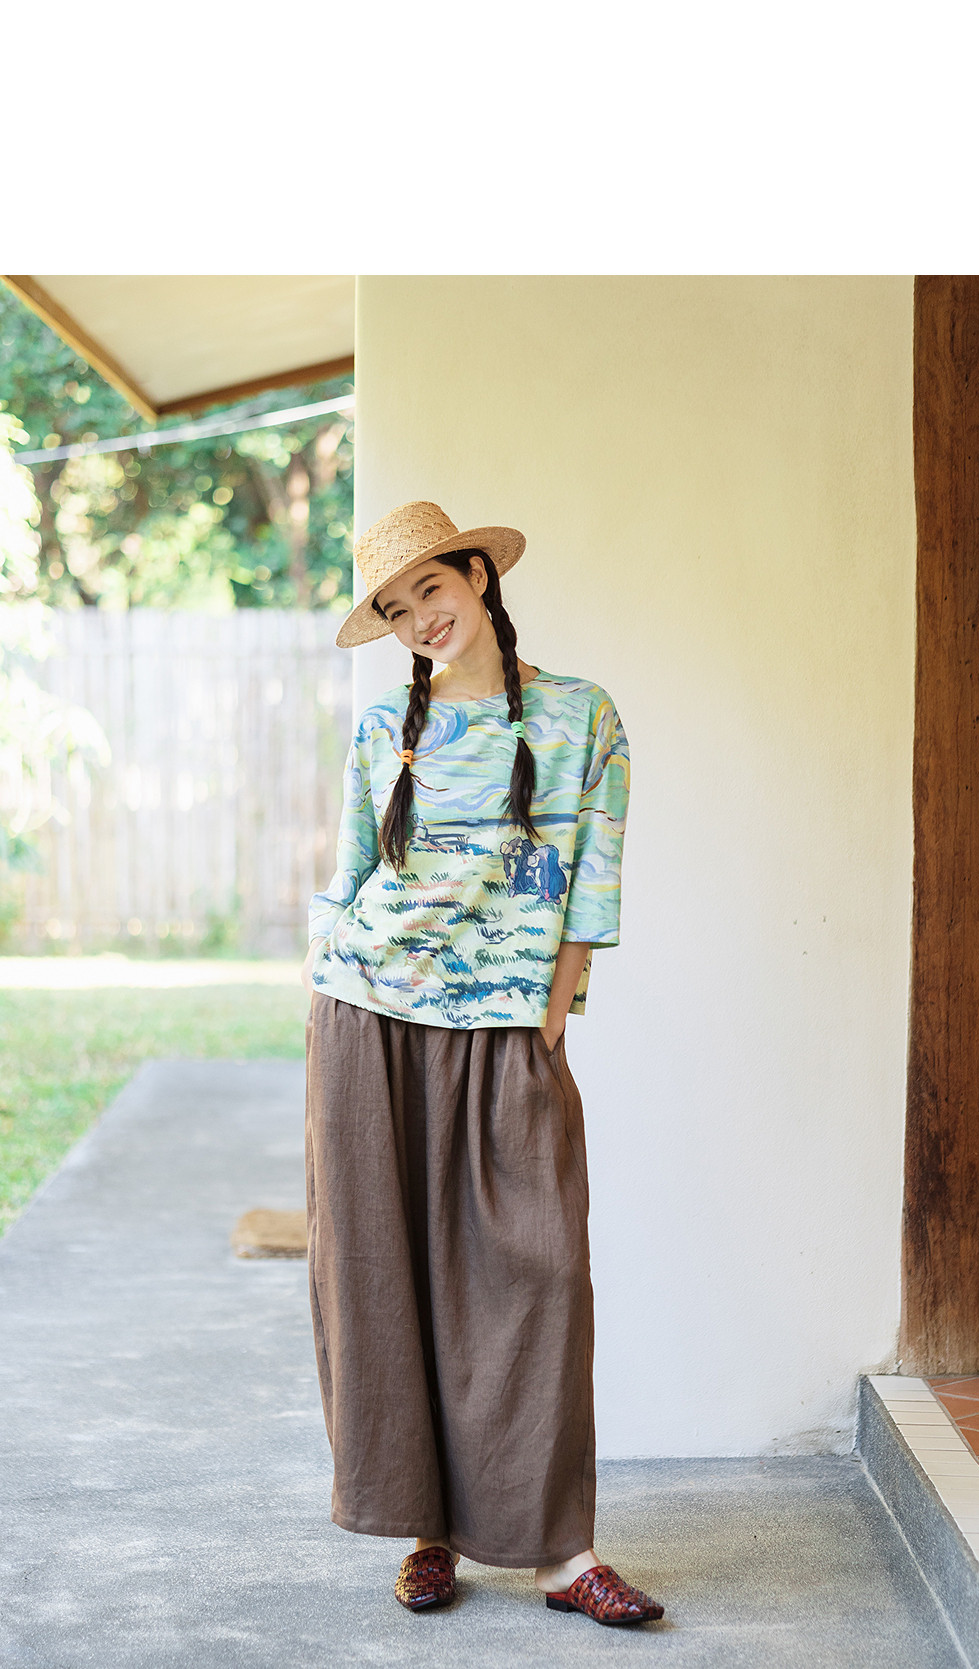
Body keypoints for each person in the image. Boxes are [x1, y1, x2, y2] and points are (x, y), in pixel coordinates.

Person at [301, 500, 664, 1628]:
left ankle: (562, 1552)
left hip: (506, 1024)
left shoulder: (581, 714)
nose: (421, 619)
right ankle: (427, 1530)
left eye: (431, 589)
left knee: (538, 1273)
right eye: (396, 609)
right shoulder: (386, 728)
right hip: (372, 1015)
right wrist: (325, 983)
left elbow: (595, 878)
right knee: (386, 1274)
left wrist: (553, 1012)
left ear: (478, 576)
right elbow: (351, 870)